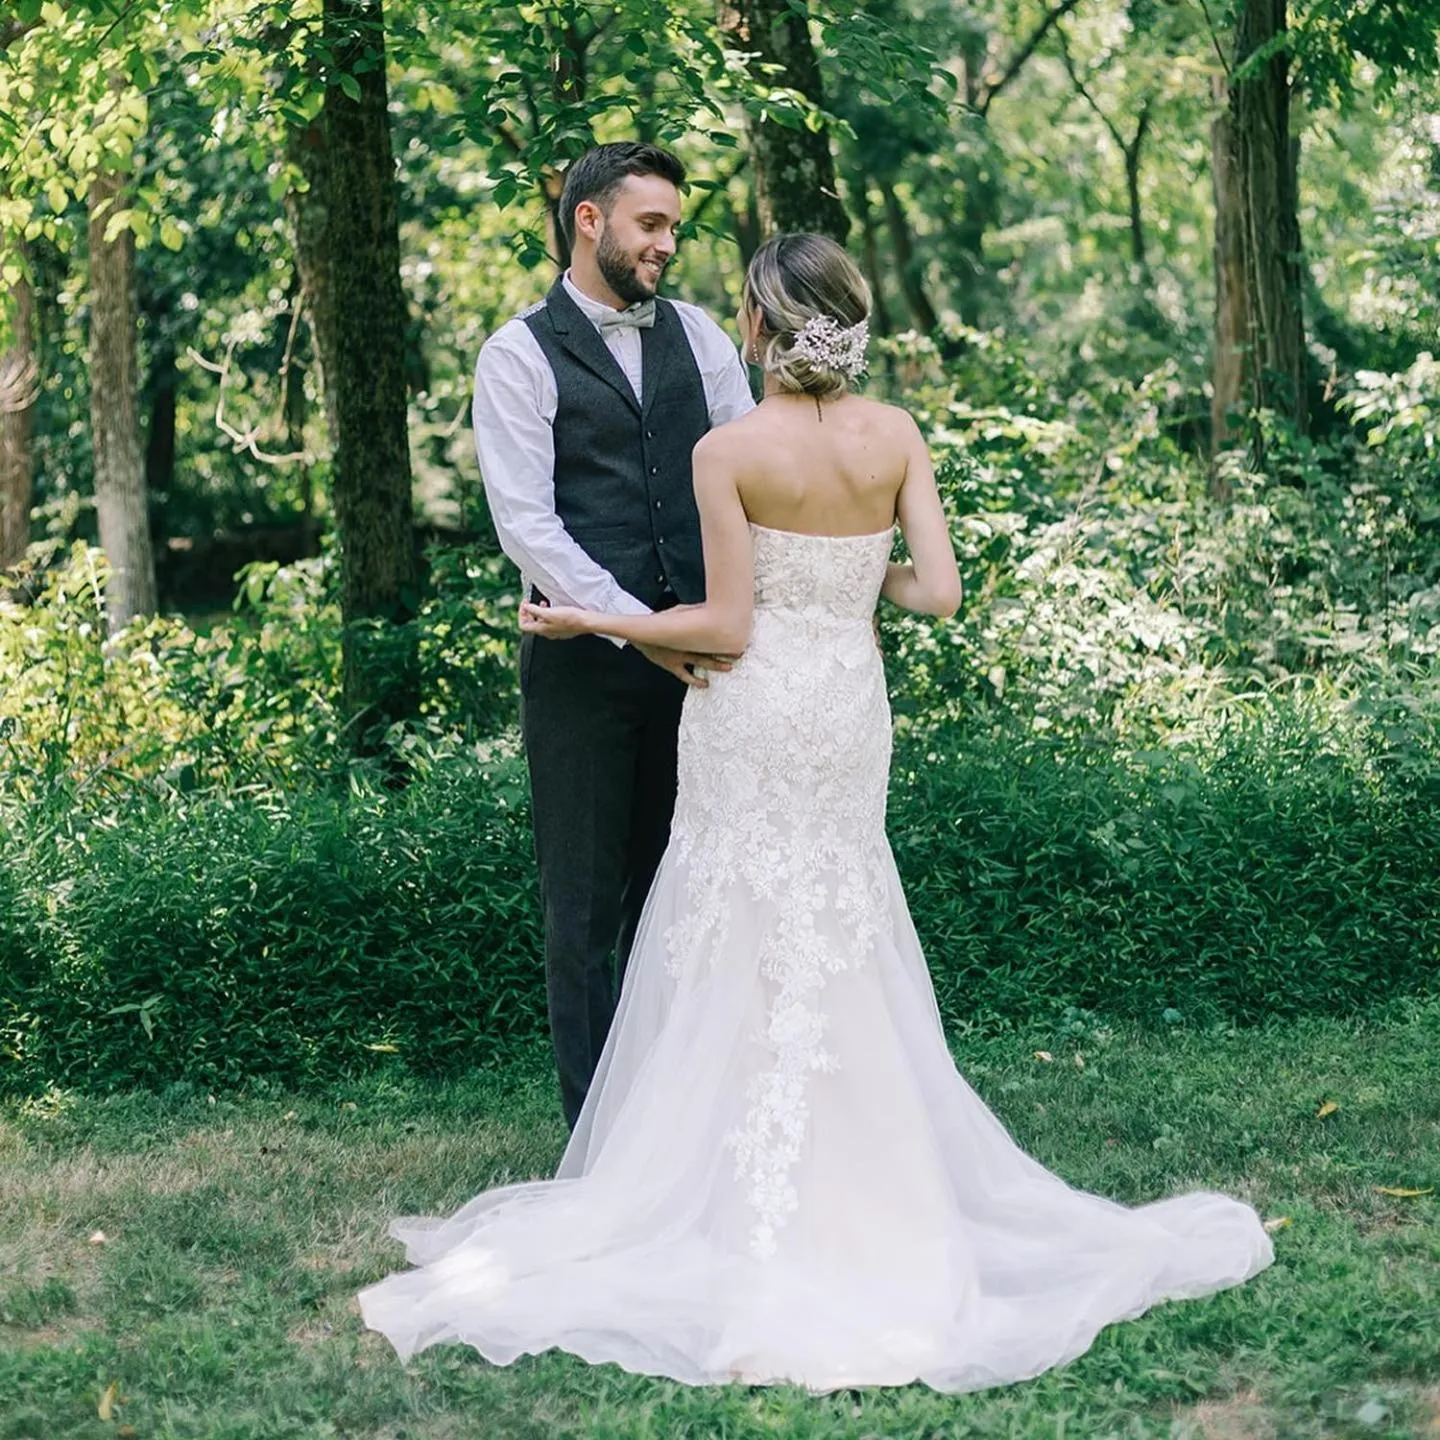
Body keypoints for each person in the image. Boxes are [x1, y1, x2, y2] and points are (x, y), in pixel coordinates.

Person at [358, 233, 1273, 1392]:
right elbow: (935, 591)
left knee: (735, 913)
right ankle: (875, 1178)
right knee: (841, 911)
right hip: (846, 704)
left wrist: (600, 623)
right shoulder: (896, 435)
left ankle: (720, 1182)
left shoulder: (729, 447)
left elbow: (726, 626)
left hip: (751, 709)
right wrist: (855, 577)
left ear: (756, 322)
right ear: (849, 322)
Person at [469, 142, 754, 1131]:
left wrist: (725, 620)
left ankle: (679, 1130)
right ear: (589, 220)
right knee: (583, 908)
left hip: (704, 667)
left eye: (673, 225)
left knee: (685, 896)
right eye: (651, 223)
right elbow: (528, 525)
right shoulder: (516, 354)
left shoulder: (705, 339)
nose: (667, 244)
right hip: (582, 672)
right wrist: (640, 632)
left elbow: (748, 472)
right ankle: (598, 1138)